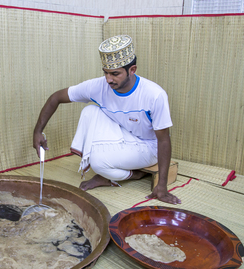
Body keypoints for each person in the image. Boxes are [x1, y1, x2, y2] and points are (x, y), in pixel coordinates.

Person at [33, 35, 181, 205]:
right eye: (106, 73)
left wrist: (162, 186)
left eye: (115, 74)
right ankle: (110, 169)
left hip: (149, 147)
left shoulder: (154, 95)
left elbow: (163, 140)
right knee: (90, 111)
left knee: (98, 162)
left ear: (132, 70)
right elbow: (56, 97)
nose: (109, 79)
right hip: (125, 133)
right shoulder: (99, 86)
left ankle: (131, 174)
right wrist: (37, 131)